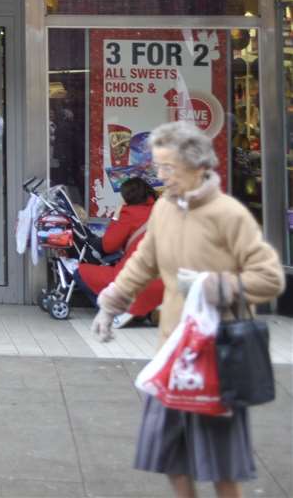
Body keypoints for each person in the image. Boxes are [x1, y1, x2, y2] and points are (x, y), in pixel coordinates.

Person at [91, 122, 284, 498]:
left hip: (218, 354)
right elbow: (142, 263)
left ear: (198, 168)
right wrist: (110, 305)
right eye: (158, 168)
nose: (161, 177)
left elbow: (270, 277)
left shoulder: (229, 215)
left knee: (221, 467)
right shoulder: (163, 209)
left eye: (168, 169)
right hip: (174, 353)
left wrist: (223, 286)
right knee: (170, 456)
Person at [77, 177, 163, 326]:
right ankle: (140, 313)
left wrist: (117, 215)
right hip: (164, 280)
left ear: (127, 196)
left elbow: (108, 245)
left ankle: (116, 312)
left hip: (134, 278)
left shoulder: (129, 213)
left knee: (80, 272)